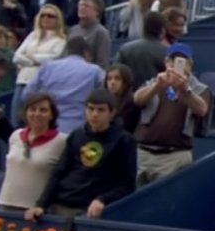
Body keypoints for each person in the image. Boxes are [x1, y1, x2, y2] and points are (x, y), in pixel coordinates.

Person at [24, 88, 137, 220]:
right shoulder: (77, 135)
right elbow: (59, 172)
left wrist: (102, 199)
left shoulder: (124, 140)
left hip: (92, 210)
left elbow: (127, 184)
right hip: (62, 203)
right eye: (90, 109)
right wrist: (41, 205)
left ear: (112, 113)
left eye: (101, 110)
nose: (94, 114)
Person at [133, 43, 210, 186]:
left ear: (190, 64)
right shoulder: (154, 82)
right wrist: (156, 86)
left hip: (175, 155)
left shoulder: (199, 88)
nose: (175, 65)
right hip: (144, 153)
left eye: (181, 61)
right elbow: (138, 99)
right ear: (166, 62)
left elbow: (202, 109)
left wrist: (185, 89)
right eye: (172, 61)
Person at [0, 93, 67, 212]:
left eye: (43, 110)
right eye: (32, 109)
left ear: (52, 115)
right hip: (6, 203)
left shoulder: (62, 141)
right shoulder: (15, 136)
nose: (37, 114)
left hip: (36, 209)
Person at [22, 36, 105, 134]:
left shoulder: (48, 66)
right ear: (86, 52)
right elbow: (105, 96)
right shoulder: (95, 71)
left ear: (66, 50)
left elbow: (27, 95)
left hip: (46, 126)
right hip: (76, 128)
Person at [105, 64, 140, 133]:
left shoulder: (131, 104)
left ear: (125, 81)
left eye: (117, 79)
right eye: (109, 79)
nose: (112, 82)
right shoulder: (103, 100)